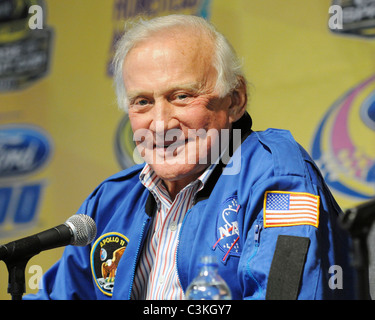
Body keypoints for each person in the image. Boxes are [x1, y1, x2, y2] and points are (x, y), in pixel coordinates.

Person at [25, 14, 356, 300]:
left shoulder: (279, 176)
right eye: (142, 102)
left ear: (235, 100)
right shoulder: (109, 201)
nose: (160, 123)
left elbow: (287, 291)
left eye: (181, 96)